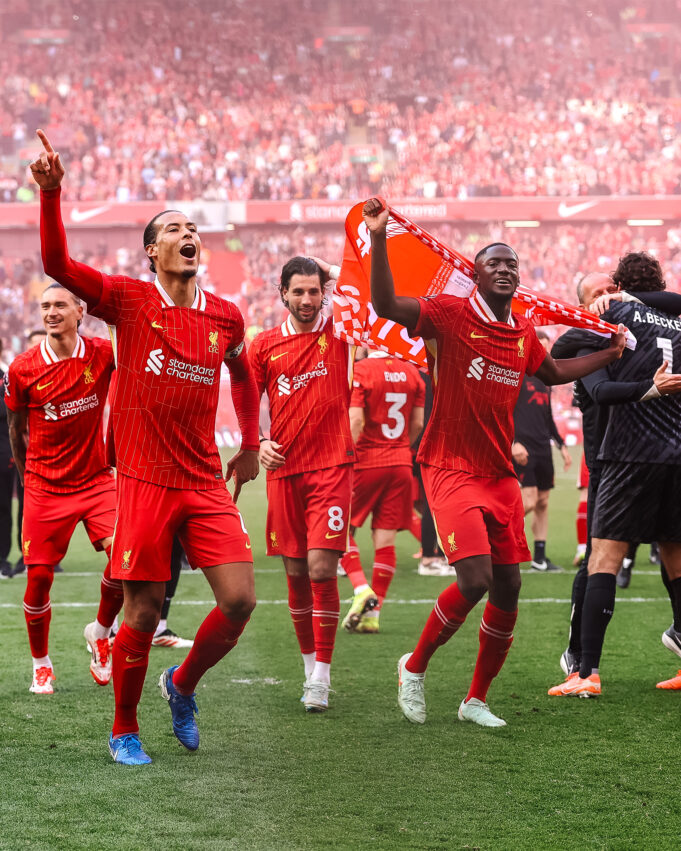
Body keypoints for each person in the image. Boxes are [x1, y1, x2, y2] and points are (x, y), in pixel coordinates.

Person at [30, 130, 260, 765]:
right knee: (142, 611)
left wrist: (249, 441)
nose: (189, 235)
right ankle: (124, 729)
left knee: (240, 600)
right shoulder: (128, 300)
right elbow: (58, 264)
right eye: (174, 229)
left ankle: (181, 683)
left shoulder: (225, 315)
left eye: (194, 229)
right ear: (152, 251)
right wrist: (51, 194)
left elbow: (243, 374)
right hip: (143, 479)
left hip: (203, 479)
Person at [362, 197, 626, 728]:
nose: (505, 269)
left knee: (509, 587)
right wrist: (380, 237)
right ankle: (413, 667)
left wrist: (610, 352)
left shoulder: (522, 332)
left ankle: (475, 700)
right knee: (476, 579)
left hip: (499, 473)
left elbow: (553, 373)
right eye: (494, 263)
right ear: (476, 275)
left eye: (512, 264)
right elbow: (386, 304)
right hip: (449, 466)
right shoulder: (449, 314)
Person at [548, 258, 681, 696]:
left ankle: (585, 671)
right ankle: (578, 654)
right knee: (674, 558)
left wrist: (607, 310)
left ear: (620, 287)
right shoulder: (675, 322)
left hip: (626, 455)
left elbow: (558, 349)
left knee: (601, 560)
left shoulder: (613, 317)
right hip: (673, 454)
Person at [5, 283, 124, 694]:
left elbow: (136, 352)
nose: (51, 312)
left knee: (125, 559)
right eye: (45, 306)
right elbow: (15, 429)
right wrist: (28, 478)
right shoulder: (22, 368)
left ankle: (101, 632)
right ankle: (41, 664)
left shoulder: (103, 354)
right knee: (38, 578)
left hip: (95, 480)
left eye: (60, 305)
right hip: (45, 485)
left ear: (79, 311)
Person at [249, 256, 355, 712]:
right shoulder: (264, 345)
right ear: (283, 294)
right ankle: (309, 667)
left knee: (321, 569)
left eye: (315, 290)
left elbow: (366, 295)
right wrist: (258, 441)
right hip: (284, 470)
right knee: (294, 573)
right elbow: (246, 398)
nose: (308, 299)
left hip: (331, 466)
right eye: (299, 292)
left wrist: (333, 272)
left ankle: (323, 678)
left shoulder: (342, 333)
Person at [339, 350, 425, 633]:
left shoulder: (362, 370)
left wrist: (346, 457)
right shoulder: (412, 372)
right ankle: (373, 616)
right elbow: (417, 424)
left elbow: (356, 421)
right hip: (400, 462)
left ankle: (361, 589)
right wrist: (398, 449)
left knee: (337, 528)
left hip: (366, 461)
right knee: (385, 539)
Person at [512, 329, 572, 572]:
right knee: (529, 500)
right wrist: (512, 442)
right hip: (522, 447)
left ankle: (539, 558)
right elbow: (502, 411)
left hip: (543, 448)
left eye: (547, 348)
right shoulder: (515, 374)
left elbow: (548, 418)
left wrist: (561, 445)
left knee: (543, 502)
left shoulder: (546, 380)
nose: (544, 352)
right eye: (540, 347)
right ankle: (493, 536)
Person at [11, 329, 49, 578]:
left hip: (58, 457)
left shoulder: (64, 373)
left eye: (42, 343)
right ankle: (25, 555)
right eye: (34, 344)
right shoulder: (20, 376)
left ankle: (50, 556)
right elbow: (15, 426)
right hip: (30, 458)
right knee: (27, 509)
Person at [0, 339, 15, 578]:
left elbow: (9, 410)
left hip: (3, 454)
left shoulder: (6, 377)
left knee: (3, 507)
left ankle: (2, 559)